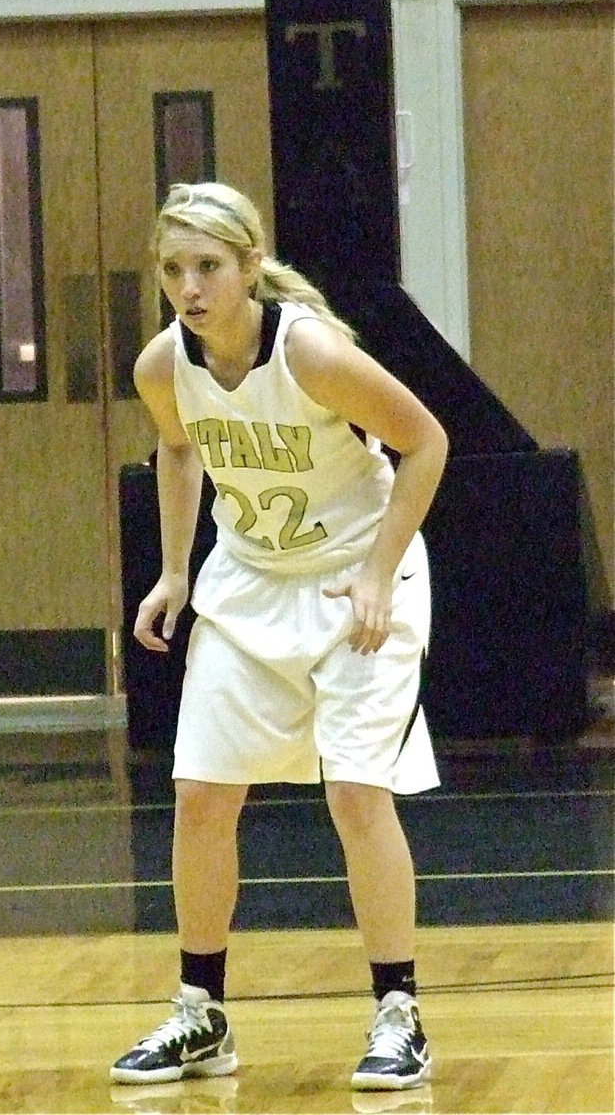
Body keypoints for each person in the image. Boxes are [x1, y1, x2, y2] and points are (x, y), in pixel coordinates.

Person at [110, 182, 448, 1093]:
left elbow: (425, 441)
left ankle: (397, 1012)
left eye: (208, 267)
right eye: (172, 269)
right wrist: (176, 570)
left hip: (352, 583)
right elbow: (178, 450)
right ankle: (201, 1013)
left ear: (250, 267)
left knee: (353, 795)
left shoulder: (310, 353)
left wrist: (378, 571)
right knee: (199, 796)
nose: (189, 286)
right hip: (250, 582)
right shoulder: (160, 365)